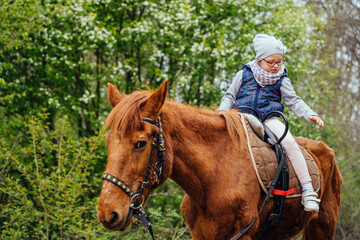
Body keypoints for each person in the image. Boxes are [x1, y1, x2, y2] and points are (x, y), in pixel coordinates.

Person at [218, 34, 323, 212]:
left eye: (279, 62)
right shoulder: (243, 74)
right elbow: (230, 96)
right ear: (260, 60)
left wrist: (309, 114)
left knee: (289, 143)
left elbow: (294, 101)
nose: (275, 66)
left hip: (269, 117)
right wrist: (222, 111)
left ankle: (308, 190)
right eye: (271, 62)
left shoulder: (282, 79)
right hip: (241, 116)